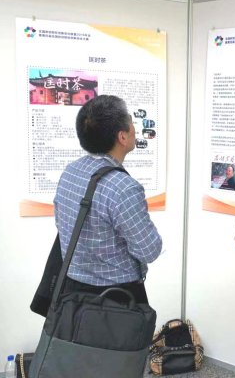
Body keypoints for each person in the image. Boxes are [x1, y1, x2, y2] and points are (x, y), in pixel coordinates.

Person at [54, 95, 162, 305]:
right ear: (122, 137)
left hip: (73, 293)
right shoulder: (123, 188)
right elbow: (149, 250)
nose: (135, 129)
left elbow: (63, 225)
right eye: (131, 122)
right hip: (116, 299)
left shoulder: (70, 172)